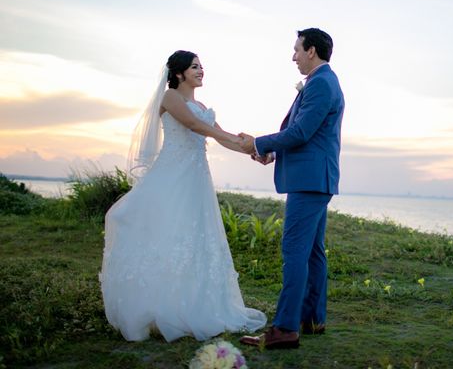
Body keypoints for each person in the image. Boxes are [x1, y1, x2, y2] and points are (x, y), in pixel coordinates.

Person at [100, 50, 266, 342]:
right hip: (171, 176)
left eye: (202, 66)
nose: (201, 71)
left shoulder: (200, 104)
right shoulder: (171, 98)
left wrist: (254, 148)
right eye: (194, 67)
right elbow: (195, 126)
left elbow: (218, 132)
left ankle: (193, 305)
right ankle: (157, 307)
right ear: (179, 73)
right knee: (167, 234)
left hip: (196, 180)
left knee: (196, 237)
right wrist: (230, 138)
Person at [238, 28, 344, 349]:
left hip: (310, 181)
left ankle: (285, 329)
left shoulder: (323, 83)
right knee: (313, 252)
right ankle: (312, 319)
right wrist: (272, 151)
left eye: (297, 49)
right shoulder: (321, 82)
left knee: (294, 252)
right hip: (314, 178)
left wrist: (258, 142)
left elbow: (300, 132)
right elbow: (300, 132)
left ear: (311, 50)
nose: (293, 55)